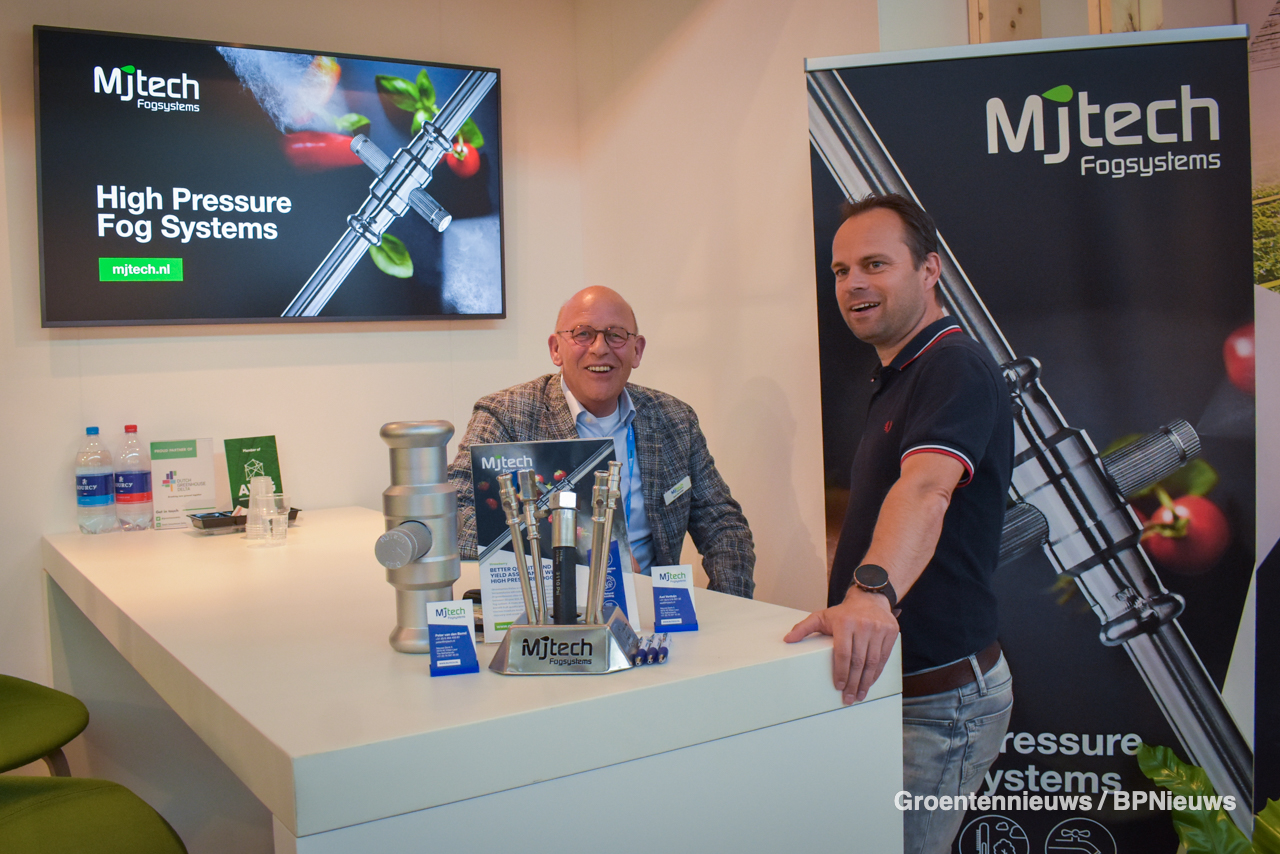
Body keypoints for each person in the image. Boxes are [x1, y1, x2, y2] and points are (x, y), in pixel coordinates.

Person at [783, 194, 1014, 854]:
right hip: (895, 691)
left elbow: (926, 488)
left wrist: (870, 594)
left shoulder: (953, 365)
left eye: (875, 264)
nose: (853, 283)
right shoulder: (900, 373)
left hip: (939, 706)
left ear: (929, 270)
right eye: (841, 270)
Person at [447, 286, 755, 598]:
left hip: (651, 609)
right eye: (583, 334)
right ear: (556, 349)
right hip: (549, 609)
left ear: (637, 350)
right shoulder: (506, 414)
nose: (599, 348)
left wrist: (728, 606)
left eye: (615, 335)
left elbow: (723, 526)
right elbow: (456, 519)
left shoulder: (675, 419)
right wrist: (587, 554)